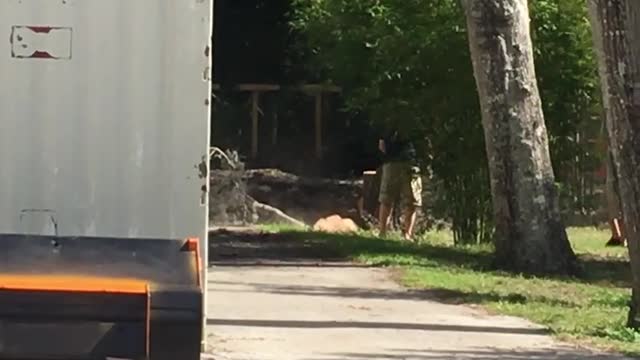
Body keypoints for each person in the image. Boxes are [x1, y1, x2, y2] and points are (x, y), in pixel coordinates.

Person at [377, 129, 422, 240]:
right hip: (397, 161)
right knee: (387, 199)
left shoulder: (418, 120)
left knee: (410, 201)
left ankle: (406, 234)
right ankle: (384, 233)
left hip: (409, 163)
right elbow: (382, 144)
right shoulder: (389, 119)